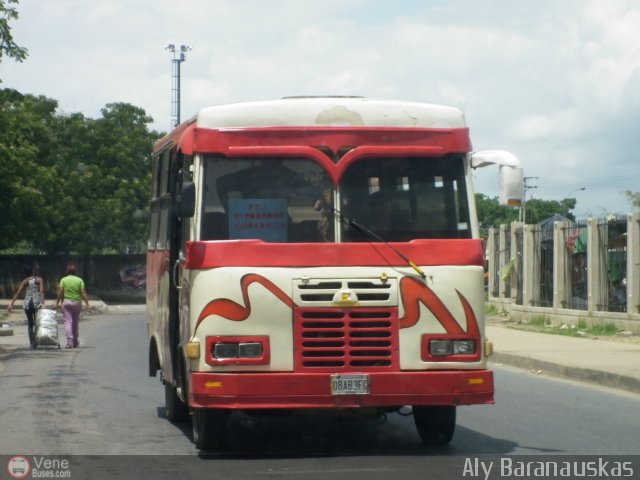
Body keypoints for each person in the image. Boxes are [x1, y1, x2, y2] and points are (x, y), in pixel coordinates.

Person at [7, 265, 46, 348]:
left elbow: (18, 293)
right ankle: (36, 341)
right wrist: (43, 303)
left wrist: (11, 304)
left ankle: (31, 343)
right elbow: (42, 292)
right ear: (32, 271)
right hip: (36, 303)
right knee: (37, 322)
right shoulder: (39, 280)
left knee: (30, 323)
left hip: (27, 303)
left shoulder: (25, 281)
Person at [54, 263, 90, 348]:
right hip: (77, 303)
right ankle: (75, 341)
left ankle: (69, 342)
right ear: (75, 271)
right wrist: (87, 303)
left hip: (66, 303)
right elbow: (83, 292)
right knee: (75, 323)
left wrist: (57, 302)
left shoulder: (63, 280)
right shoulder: (79, 280)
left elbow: (60, 292)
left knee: (68, 322)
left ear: (67, 271)